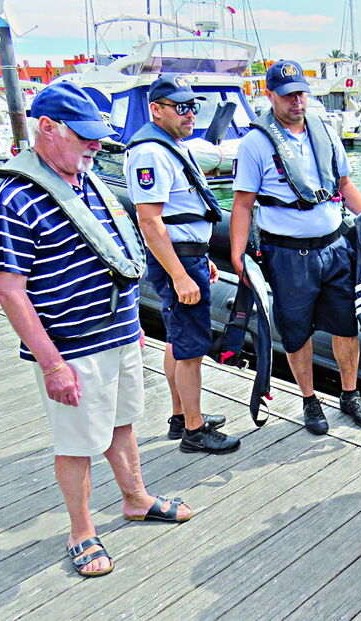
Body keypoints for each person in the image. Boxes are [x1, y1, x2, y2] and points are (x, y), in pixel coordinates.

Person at [0, 81, 193, 578]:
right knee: (76, 442)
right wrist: (52, 364)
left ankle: (135, 499)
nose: (96, 145)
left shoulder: (88, 179)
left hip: (118, 334)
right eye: (85, 136)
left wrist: (130, 325)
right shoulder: (14, 198)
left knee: (122, 422)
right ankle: (81, 530)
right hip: (71, 347)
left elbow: (112, 252)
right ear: (48, 129)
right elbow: (10, 292)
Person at [230, 60, 361, 435]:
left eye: (301, 93)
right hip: (288, 255)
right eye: (288, 95)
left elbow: (344, 184)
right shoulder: (255, 143)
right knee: (296, 331)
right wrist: (237, 256)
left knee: (347, 326)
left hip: (335, 248)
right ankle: (309, 400)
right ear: (270, 96)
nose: (297, 101)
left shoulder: (325, 131)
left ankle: (350, 393)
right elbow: (243, 204)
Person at [124, 73, 240, 454]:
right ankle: (194, 429)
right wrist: (178, 273)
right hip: (177, 262)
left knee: (177, 340)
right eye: (181, 107)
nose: (190, 114)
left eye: (193, 106)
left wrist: (200, 257)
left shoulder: (172, 145)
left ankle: (180, 416)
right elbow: (150, 220)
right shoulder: (150, 153)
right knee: (191, 348)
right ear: (155, 110)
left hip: (189, 256)